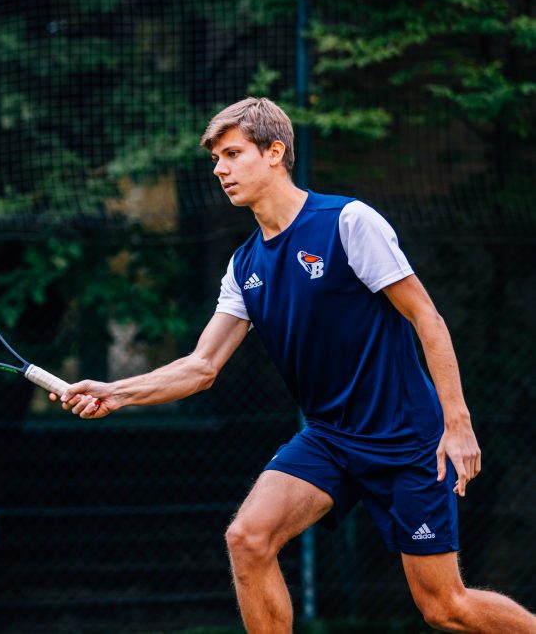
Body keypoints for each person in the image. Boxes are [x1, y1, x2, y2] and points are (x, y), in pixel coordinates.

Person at [50, 98, 536, 633]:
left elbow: (428, 318)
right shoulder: (245, 265)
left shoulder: (347, 222)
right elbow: (202, 366)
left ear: (275, 152)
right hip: (328, 437)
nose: (220, 170)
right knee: (247, 539)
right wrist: (117, 392)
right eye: (216, 159)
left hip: (406, 438)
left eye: (233, 154)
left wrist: (457, 422)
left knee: (445, 608)